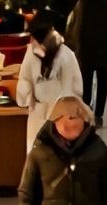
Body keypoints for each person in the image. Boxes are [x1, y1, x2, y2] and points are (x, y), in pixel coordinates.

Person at [15, 19, 84, 148]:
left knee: (58, 150)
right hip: (38, 111)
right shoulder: (30, 54)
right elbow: (25, 78)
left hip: (60, 113)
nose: (31, 42)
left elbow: (72, 85)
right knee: (35, 148)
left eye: (33, 39)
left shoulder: (65, 55)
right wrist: (27, 95)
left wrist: (67, 107)